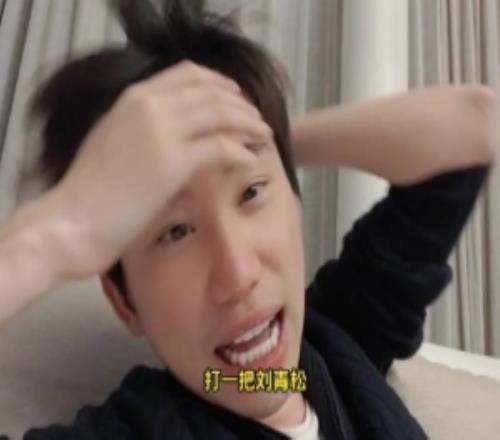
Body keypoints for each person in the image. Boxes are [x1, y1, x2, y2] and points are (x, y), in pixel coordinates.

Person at [0, 0, 497, 438]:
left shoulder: (335, 346)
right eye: (176, 231)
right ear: (125, 302)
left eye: (252, 191)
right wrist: (49, 239)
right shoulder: (141, 428)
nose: (238, 275)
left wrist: (250, 136)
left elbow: (472, 126)